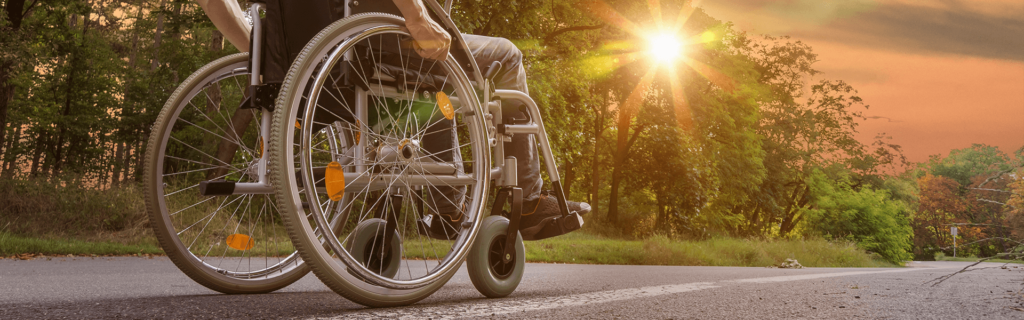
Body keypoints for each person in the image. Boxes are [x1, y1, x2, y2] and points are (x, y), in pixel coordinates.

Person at [197, 0, 590, 229]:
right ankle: (531, 199)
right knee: (504, 54)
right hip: (378, 50)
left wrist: (260, 57)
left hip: (316, 70)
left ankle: (448, 203)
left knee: (439, 64)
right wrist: (417, 18)